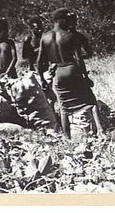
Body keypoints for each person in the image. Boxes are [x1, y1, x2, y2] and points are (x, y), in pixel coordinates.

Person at [36, 8, 104, 139]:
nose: (68, 23)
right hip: (72, 70)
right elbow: (79, 59)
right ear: (61, 20)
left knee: (64, 107)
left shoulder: (45, 38)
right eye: (66, 19)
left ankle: (66, 136)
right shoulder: (69, 36)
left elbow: (39, 62)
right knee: (90, 100)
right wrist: (86, 77)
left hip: (58, 73)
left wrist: (43, 80)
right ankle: (100, 131)